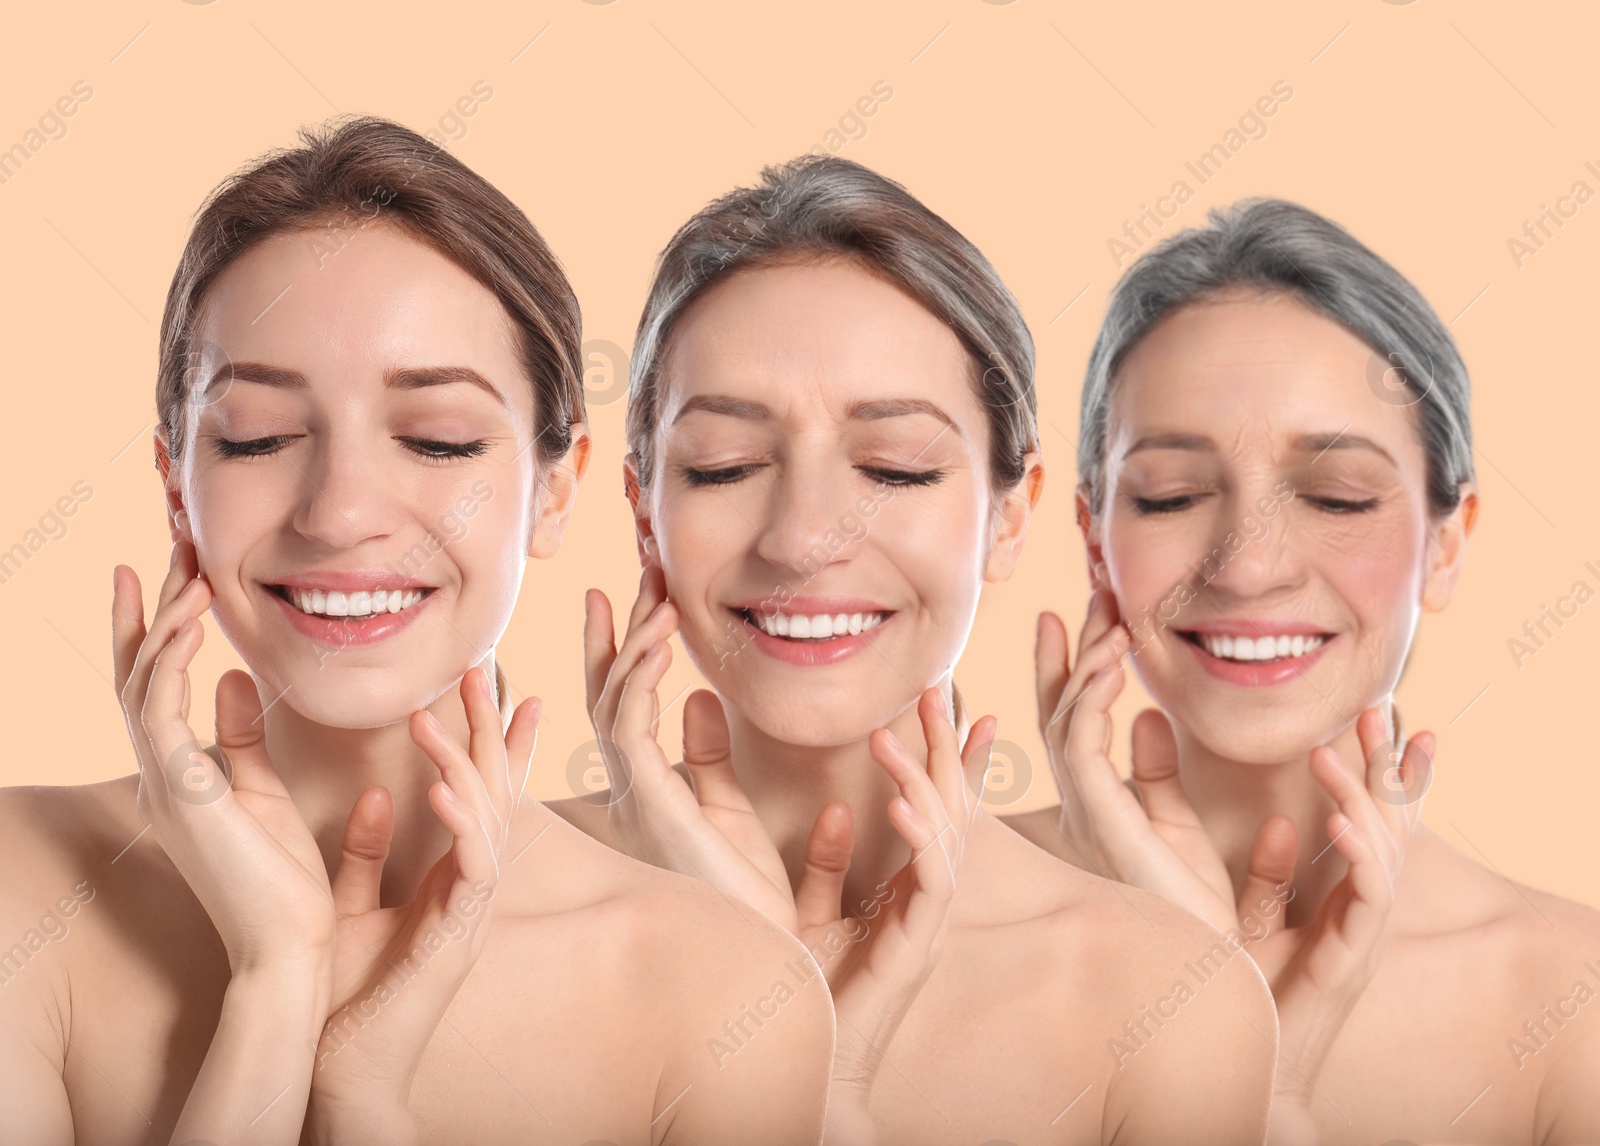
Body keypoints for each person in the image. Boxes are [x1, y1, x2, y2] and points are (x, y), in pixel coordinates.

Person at [0, 116, 832, 1145]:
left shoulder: (726, 994)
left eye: (436, 440)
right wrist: (275, 986)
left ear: (554, 491)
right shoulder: (19, 885)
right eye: (259, 437)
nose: (341, 513)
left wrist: (360, 1101)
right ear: (177, 485)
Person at [551, 155, 1279, 1144]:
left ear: (1009, 514)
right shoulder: (465, 922)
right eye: (725, 465)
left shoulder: (1165, 1003)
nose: (804, 537)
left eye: (893, 468)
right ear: (644, 513)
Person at [1003, 198, 1600, 1144]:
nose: (1248, 566)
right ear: (1092, 539)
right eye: (1173, 496)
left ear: (1448, 545)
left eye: (1335, 495)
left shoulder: (1575, 1007)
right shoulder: (917, 921)